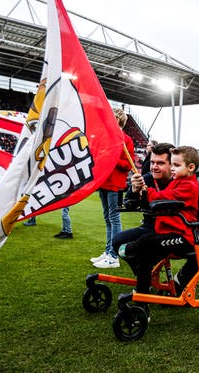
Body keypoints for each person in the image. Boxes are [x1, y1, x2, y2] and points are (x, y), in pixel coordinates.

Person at [113, 142, 199, 289]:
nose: (154, 166)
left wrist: (192, 237)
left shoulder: (185, 184)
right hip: (151, 228)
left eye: (161, 163)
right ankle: (144, 277)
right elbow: (129, 204)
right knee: (118, 241)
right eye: (152, 162)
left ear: (172, 164)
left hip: (181, 232)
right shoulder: (147, 178)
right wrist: (134, 190)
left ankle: (181, 280)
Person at [90, 108, 134, 269]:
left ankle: (114, 255)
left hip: (115, 184)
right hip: (104, 182)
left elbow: (128, 165)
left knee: (114, 219)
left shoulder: (126, 140)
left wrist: (112, 157)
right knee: (108, 218)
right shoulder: (107, 138)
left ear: (118, 121)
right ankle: (108, 251)